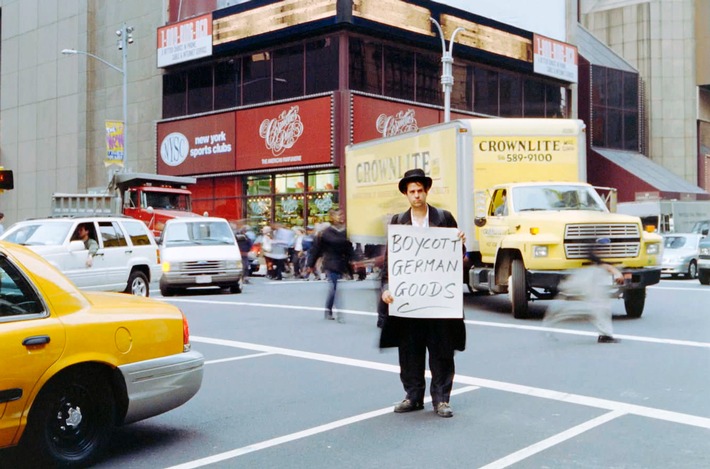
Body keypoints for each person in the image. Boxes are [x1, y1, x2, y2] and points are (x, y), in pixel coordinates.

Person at [379, 168, 466, 418]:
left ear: (426, 191)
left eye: (420, 190)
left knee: (441, 351)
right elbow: (390, 262)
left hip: (438, 300)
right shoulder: (398, 222)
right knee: (409, 351)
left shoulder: (444, 218)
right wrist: (386, 288)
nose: (416, 195)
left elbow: (458, 258)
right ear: (406, 195)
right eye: (412, 191)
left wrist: (460, 242)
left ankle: (441, 400)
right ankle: (413, 396)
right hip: (408, 300)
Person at [543, 250, 625, 343]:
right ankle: (552, 320)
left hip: (583, 273)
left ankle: (605, 334)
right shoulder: (594, 243)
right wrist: (617, 273)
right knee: (598, 307)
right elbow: (599, 262)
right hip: (589, 274)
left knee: (598, 306)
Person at [307, 209, 354, 322]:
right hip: (330, 261)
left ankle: (329, 309)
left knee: (335, 286)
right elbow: (316, 249)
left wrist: (354, 262)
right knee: (334, 287)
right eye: (338, 215)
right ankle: (335, 312)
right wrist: (310, 264)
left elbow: (350, 249)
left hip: (341, 262)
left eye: (342, 215)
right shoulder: (326, 232)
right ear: (332, 217)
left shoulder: (346, 232)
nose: (341, 217)